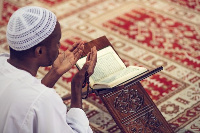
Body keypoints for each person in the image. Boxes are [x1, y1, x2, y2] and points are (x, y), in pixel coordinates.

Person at [0, 6, 97, 133]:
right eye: (57, 42)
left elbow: (26, 100)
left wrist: (54, 73)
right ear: (39, 51)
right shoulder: (45, 100)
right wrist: (77, 87)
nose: (60, 46)